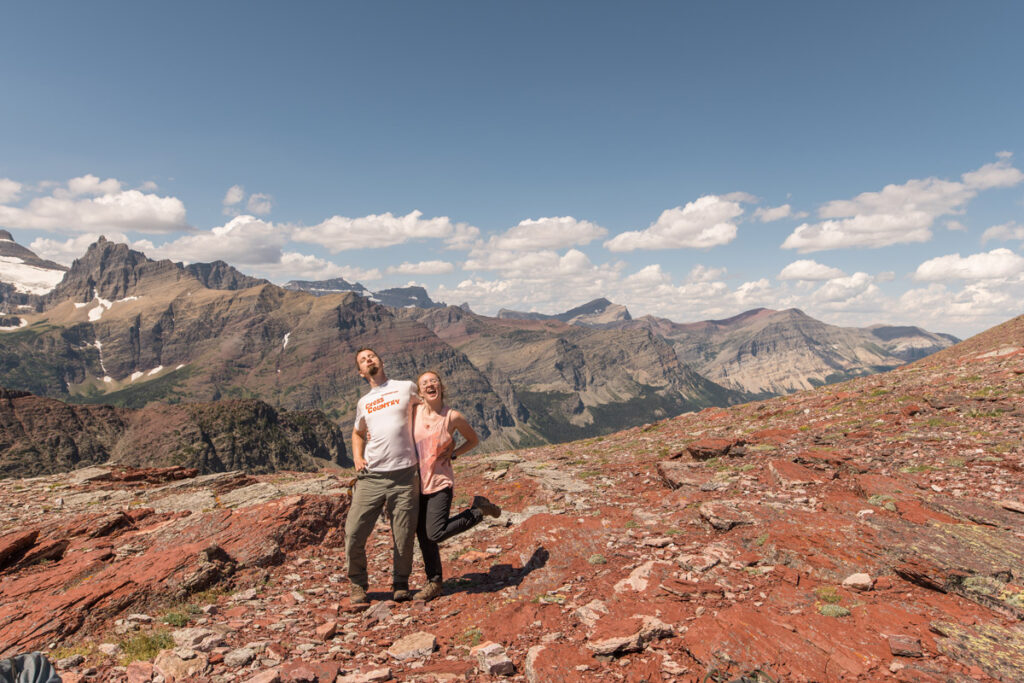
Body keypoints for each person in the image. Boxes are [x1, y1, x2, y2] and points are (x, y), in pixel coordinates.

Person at [412, 370, 501, 602]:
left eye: (434, 381)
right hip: (417, 483)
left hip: (441, 481)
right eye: (425, 383)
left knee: (435, 532)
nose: (430, 385)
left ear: (441, 387)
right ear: (419, 391)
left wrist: (454, 454)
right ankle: (434, 582)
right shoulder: (413, 413)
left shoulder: (452, 417)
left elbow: (473, 440)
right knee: (423, 536)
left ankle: (479, 510)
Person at [345, 347, 420, 605]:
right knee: (354, 532)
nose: (369, 360)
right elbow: (357, 432)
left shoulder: (406, 387)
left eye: (371, 356)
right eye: (363, 360)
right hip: (372, 476)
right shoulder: (364, 402)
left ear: (381, 360)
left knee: (403, 534)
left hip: (405, 474)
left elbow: (426, 413)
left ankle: (401, 584)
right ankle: (357, 585)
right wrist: (357, 457)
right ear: (361, 372)